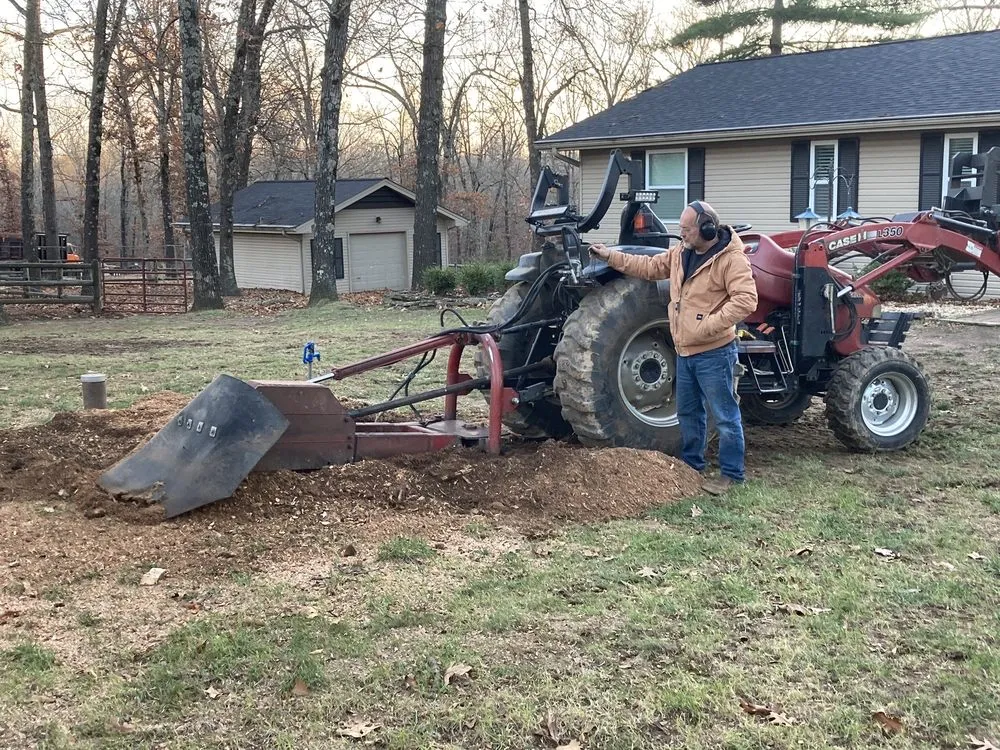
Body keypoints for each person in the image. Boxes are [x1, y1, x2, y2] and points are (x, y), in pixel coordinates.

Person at [589, 201, 758, 495]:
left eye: (687, 229)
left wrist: (707, 326)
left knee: (725, 415)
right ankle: (692, 468)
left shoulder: (731, 259)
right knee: (689, 414)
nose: (682, 234)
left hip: (714, 353)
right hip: (685, 351)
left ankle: (732, 474)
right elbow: (650, 266)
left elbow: (746, 300)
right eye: (680, 229)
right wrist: (610, 257)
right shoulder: (681, 253)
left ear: (707, 228)